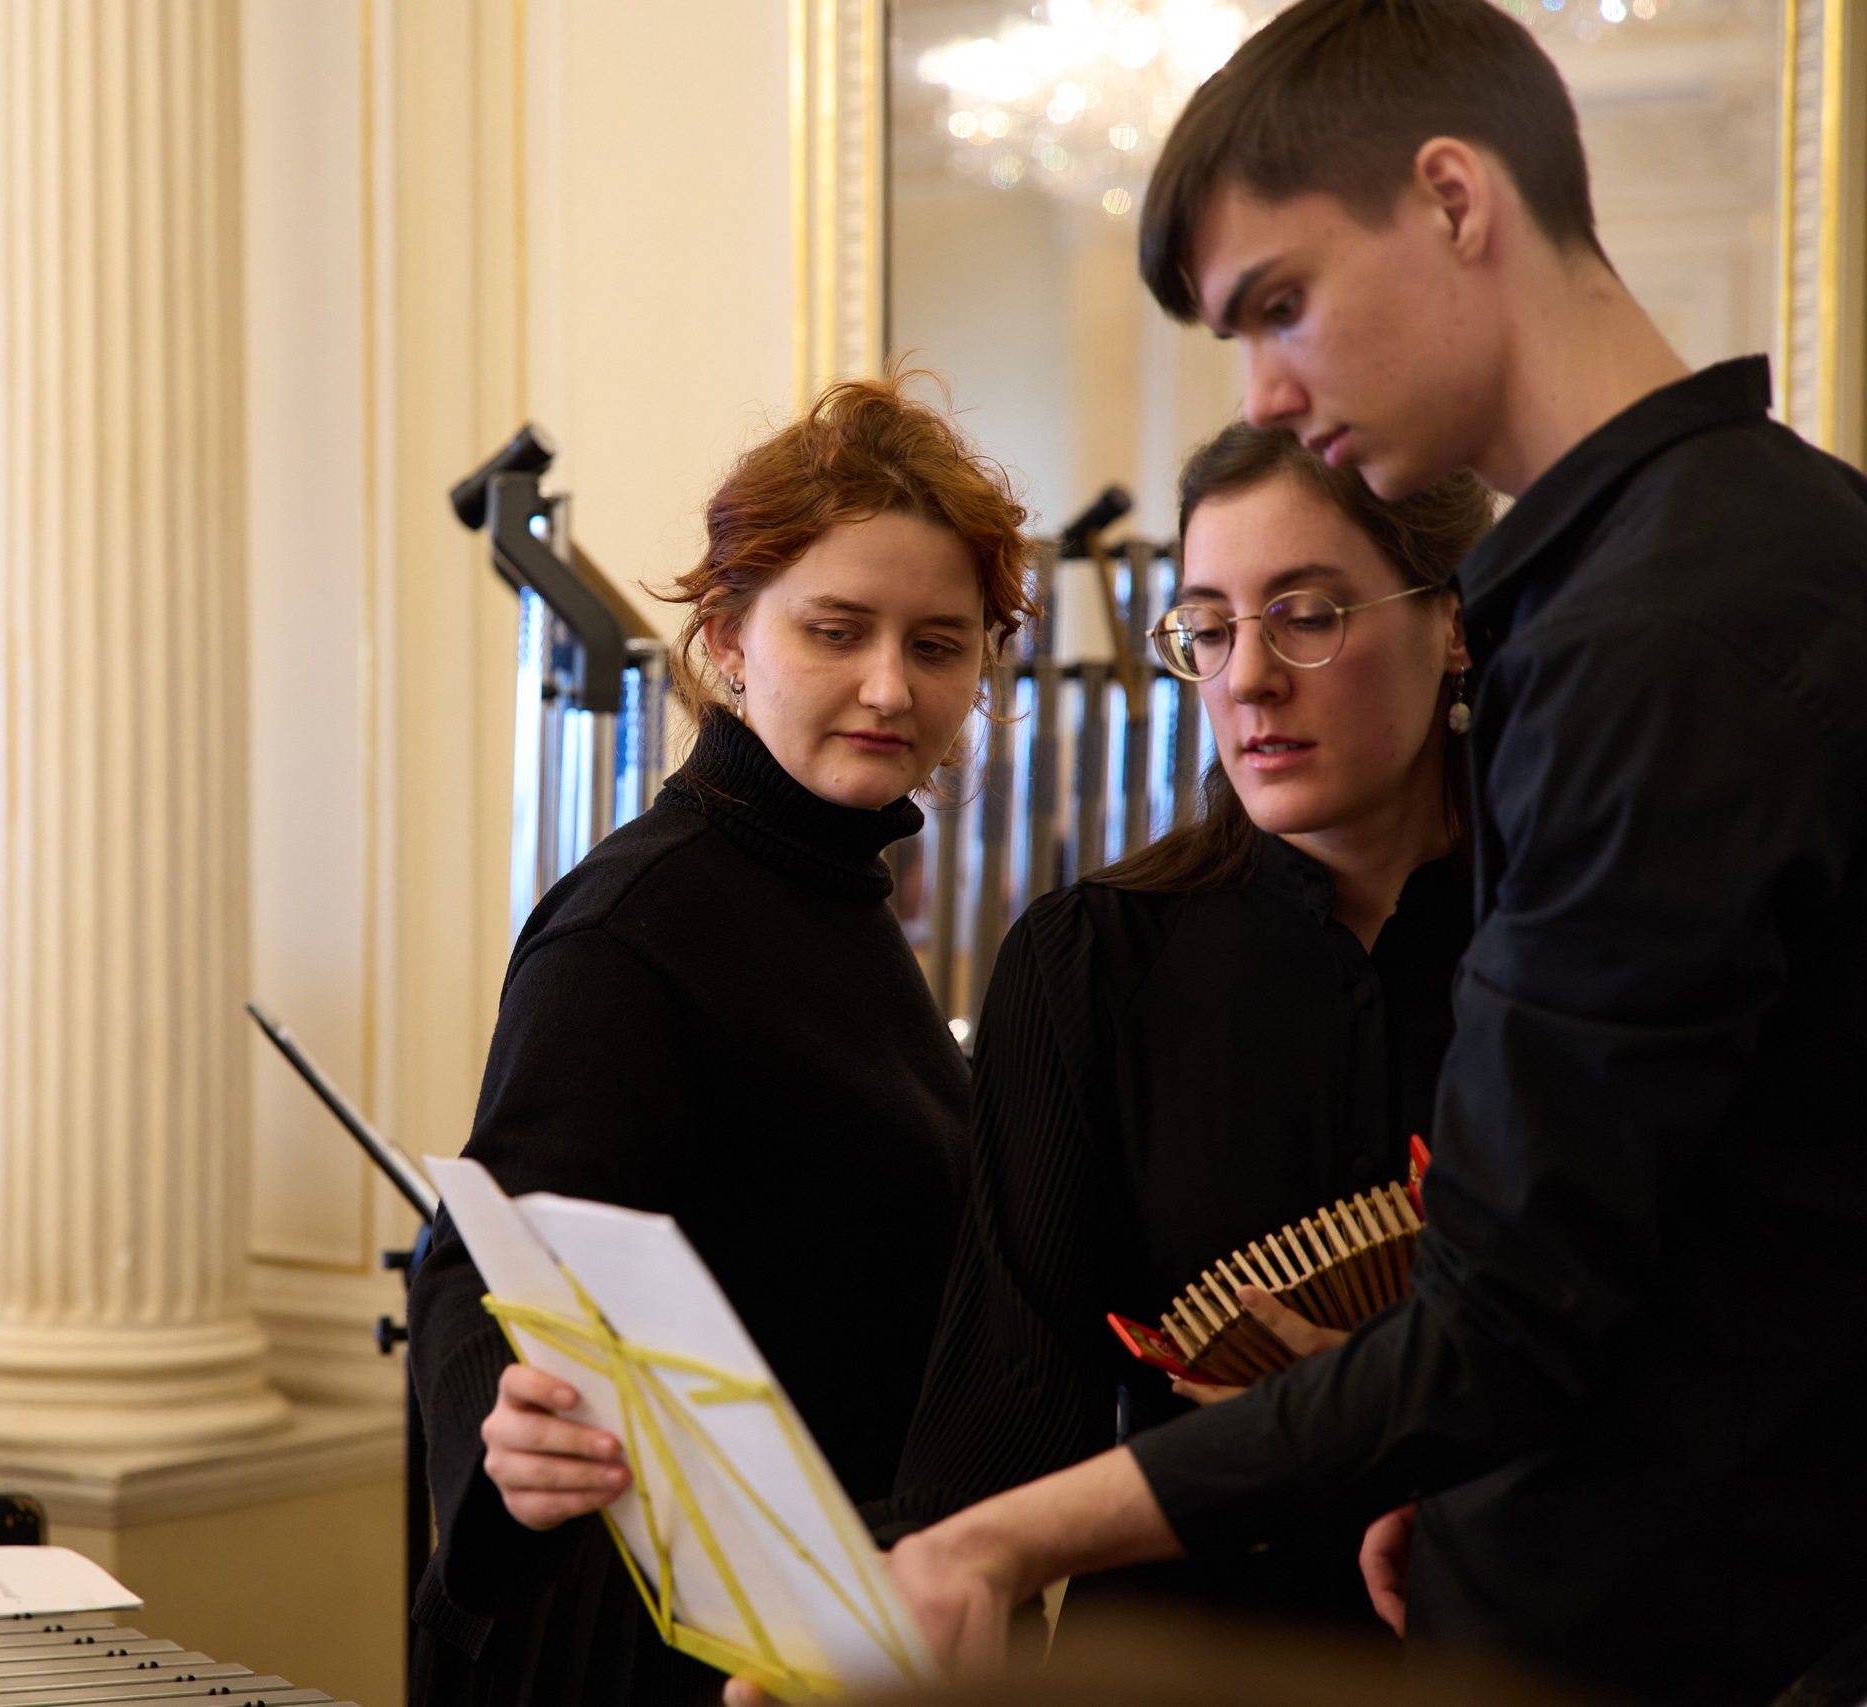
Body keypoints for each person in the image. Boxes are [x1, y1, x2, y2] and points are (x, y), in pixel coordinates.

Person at [854, 1, 1867, 1702]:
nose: (1266, 392)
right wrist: (1489, 1499)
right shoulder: (1767, 538)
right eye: (1210, 627)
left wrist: (997, 1543)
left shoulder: (1654, 637)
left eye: (1280, 303)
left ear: (1455, 200)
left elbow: (1509, 1317)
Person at [405, 374, 1033, 1706]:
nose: (889, 686)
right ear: (731, 636)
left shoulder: (835, 892)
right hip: (649, 1644)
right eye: (836, 630)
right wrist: (501, 1429)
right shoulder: (638, 920)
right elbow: (472, 1255)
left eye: (938, 644)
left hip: (820, 1620)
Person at [885, 422, 1490, 1631]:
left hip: (1510, 1654)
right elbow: (1006, 1405)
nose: (1247, 678)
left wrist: (1408, 1414)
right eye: (1209, 629)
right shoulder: (1085, 964)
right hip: (1182, 1654)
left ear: (1452, 622)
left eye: (1306, 616)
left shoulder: (1577, 949)